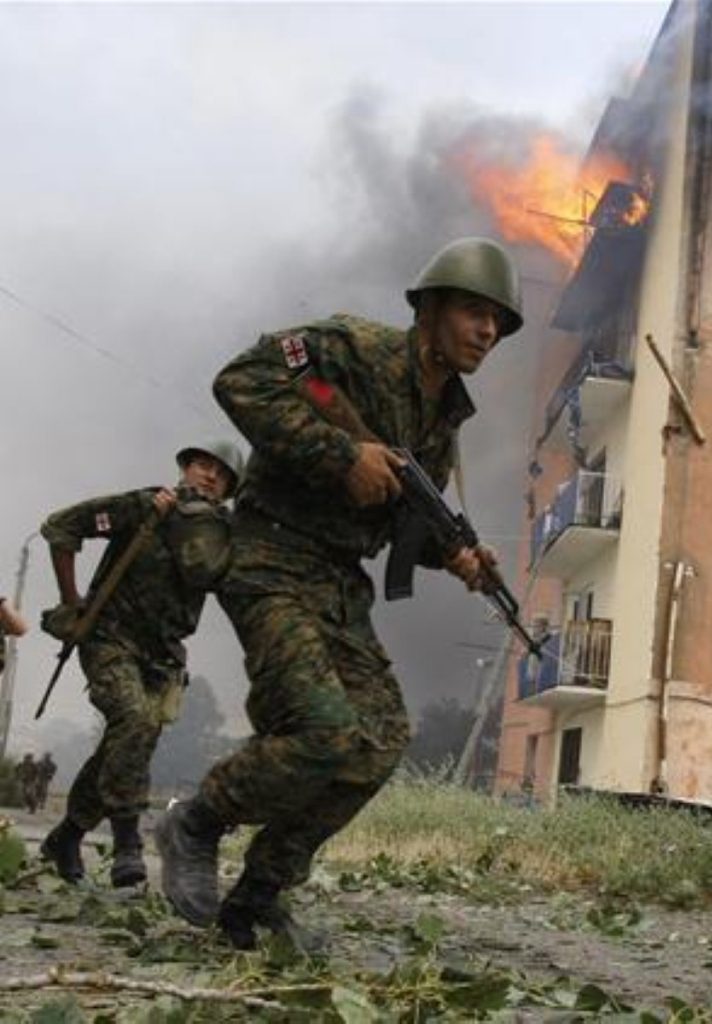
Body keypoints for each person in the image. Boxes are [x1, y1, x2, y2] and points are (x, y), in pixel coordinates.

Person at [156, 237, 522, 950]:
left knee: (381, 742)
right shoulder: (351, 349)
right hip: (269, 554)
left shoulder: (444, 423)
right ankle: (194, 821)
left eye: (498, 323)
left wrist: (459, 555)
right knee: (323, 731)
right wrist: (341, 453)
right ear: (431, 307)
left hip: (339, 582)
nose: (487, 332)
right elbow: (241, 381)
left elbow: (409, 518)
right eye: (475, 312)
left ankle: (258, 894)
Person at [38, 440, 243, 888]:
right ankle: (128, 843)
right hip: (110, 637)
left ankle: (67, 836)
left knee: (130, 741)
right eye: (202, 465)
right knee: (132, 718)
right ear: (186, 468)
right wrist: (72, 605)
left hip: (162, 657)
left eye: (221, 474)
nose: (209, 476)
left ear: (228, 490)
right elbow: (60, 528)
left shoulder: (221, 534)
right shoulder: (146, 508)